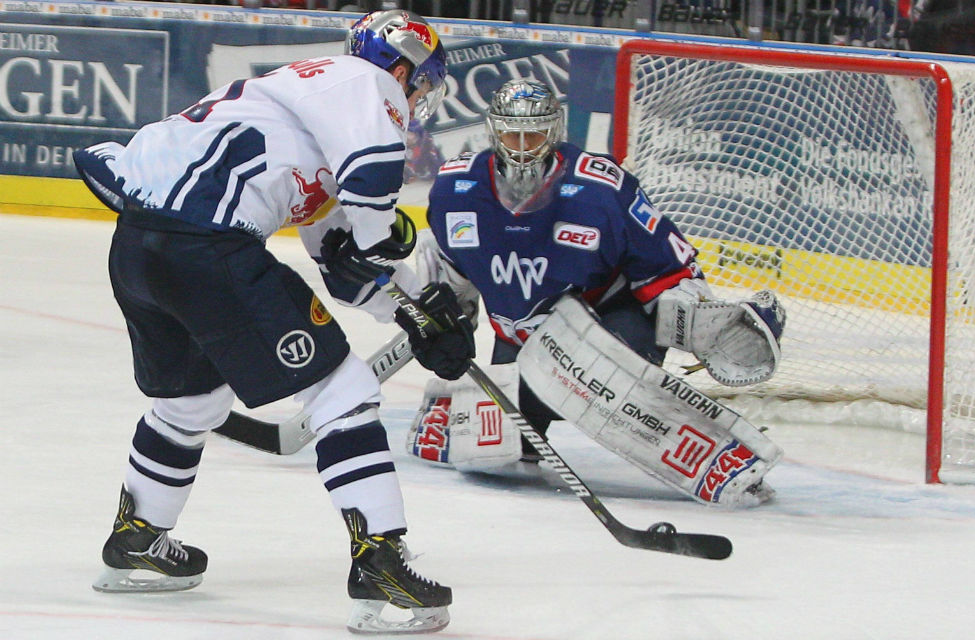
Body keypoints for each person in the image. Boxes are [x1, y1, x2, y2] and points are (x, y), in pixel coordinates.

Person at [73, 10, 471, 635]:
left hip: (141, 245)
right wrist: (402, 251)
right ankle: (380, 562)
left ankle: (138, 536)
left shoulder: (303, 102)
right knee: (342, 392)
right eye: (419, 83)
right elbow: (371, 212)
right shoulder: (364, 84)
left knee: (190, 401)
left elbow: (339, 260)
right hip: (210, 248)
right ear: (402, 68)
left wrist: (411, 314)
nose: (415, 100)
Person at [413, 79, 785, 506]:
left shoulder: (600, 189)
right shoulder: (455, 190)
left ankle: (720, 455)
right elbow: (453, 276)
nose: (520, 146)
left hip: (605, 326)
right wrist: (442, 326)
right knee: (487, 453)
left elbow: (669, 266)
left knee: (598, 381)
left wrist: (702, 323)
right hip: (520, 339)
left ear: (554, 132)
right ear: (494, 131)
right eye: (511, 134)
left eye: (532, 135)